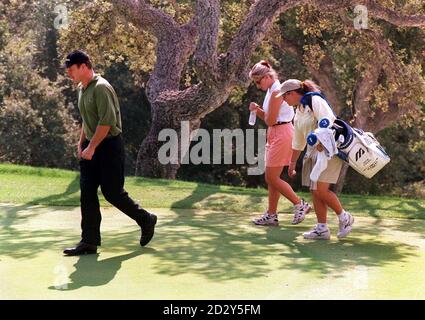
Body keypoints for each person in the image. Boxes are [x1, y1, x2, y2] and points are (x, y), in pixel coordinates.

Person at [63, 50, 157, 256]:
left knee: (113, 193)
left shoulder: (101, 88)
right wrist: (82, 144)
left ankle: (146, 219)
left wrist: (92, 147)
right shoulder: (82, 88)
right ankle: (89, 241)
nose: (69, 73)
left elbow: (107, 123)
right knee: (87, 193)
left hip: (108, 147)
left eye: (71, 69)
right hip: (91, 146)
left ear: (84, 66)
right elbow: (87, 121)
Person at [276, 79, 354, 239]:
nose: (284, 100)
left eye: (284, 96)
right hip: (312, 153)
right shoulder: (298, 111)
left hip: (329, 150)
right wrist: (292, 163)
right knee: (315, 190)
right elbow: (298, 141)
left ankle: (345, 217)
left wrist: (321, 142)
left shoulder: (315, 100)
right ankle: (322, 228)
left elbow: (329, 122)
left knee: (321, 189)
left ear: (292, 93)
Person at [248, 61, 311, 226]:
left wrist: (257, 110)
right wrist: (259, 110)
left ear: (268, 77)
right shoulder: (271, 89)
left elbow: (270, 120)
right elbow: (270, 119)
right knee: (272, 178)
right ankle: (271, 215)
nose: (257, 85)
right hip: (276, 133)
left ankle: (300, 204)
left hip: (282, 133)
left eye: (258, 81)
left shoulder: (277, 91)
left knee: (271, 177)